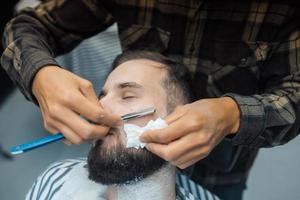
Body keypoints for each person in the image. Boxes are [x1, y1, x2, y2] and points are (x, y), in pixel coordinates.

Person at [1, 1, 300, 199]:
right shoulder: (57, 183)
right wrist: (39, 74)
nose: (103, 109)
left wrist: (233, 115)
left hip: (223, 172)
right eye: (103, 95)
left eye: (129, 95)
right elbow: (27, 26)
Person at [26, 51, 220, 200]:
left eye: (127, 96)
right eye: (101, 97)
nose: (99, 109)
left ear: (181, 123)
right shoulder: (56, 179)